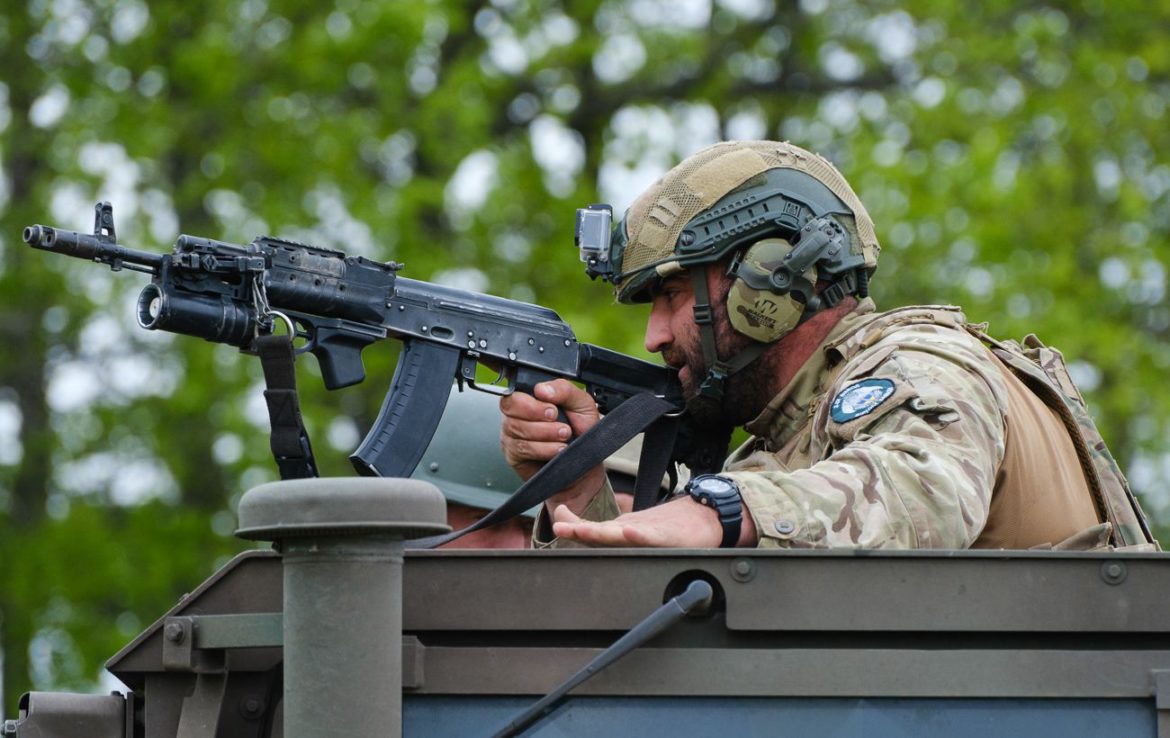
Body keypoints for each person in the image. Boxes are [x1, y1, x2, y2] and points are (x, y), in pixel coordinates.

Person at [500, 139, 1158, 551]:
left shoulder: (923, 363)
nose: (654, 336)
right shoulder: (784, 452)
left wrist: (720, 513)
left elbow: (923, 493)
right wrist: (578, 486)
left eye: (672, 296)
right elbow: (646, 628)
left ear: (772, 280)